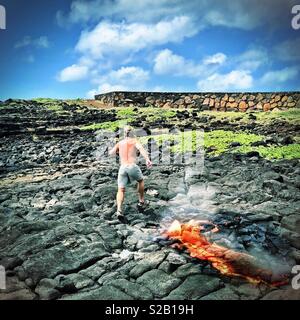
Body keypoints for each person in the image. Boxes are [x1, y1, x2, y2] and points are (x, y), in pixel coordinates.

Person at [109, 126, 152, 221]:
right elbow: (141, 149)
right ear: (132, 133)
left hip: (123, 167)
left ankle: (119, 210)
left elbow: (111, 153)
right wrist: (147, 159)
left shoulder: (120, 143)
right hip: (132, 166)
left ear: (124, 134)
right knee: (140, 181)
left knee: (121, 189)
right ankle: (141, 201)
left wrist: (117, 151)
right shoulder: (134, 141)